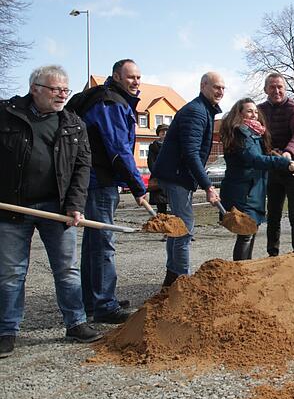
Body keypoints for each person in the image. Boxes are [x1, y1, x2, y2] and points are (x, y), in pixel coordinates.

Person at [0, 65, 102, 359]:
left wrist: (75, 205)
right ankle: (7, 330)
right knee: (10, 273)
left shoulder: (73, 123)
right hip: (13, 208)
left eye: (65, 90)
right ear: (35, 89)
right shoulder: (7, 115)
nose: (62, 95)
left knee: (67, 269)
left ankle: (76, 322)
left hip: (57, 209)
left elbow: (83, 167)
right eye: (56, 89)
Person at [68, 59, 146, 324]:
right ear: (116, 76)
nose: (136, 82)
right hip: (99, 179)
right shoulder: (110, 102)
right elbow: (118, 148)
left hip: (95, 178)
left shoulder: (111, 99)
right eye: (130, 77)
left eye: (138, 77)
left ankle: (93, 299)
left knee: (94, 241)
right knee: (103, 243)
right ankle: (104, 305)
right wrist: (137, 185)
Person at [152, 72, 224, 286]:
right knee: (184, 228)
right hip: (177, 176)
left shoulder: (203, 110)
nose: (220, 91)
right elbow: (191, 153)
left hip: (177, 175)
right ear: (203, 86)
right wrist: (208, 186)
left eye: (222, 88)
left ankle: (172, 278)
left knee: (177, 227)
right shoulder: (196, 111)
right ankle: (183, 280)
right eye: (216, 87)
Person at [219, 98, 294, 260]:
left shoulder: (254, 134)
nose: (254, 115)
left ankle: (244, 269)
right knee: (246, 232)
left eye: (255, 111)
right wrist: (282, 162)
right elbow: (254, 159)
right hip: (244, 191)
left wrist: (273, 154)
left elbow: (259, 156)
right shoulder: (241, 133)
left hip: (253, 189)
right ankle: (241, 271)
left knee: (250, 231)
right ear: (239, 114)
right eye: (249, 111)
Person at [257, 73, 294, 257]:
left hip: (293, 166)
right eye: (272, 87)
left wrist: (288, 152)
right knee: (273, 213)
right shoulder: (259, 110)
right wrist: (268, 151)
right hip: (272, 167)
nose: (276, 90)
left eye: (280, 87)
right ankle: (273, 252)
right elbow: (257, 135)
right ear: (266, 90)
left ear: (284, 88)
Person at [148, 123, 169, 216]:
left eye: (166, 131)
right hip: (158, 178)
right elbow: (151, 163)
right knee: (161, 205)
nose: (164, 133)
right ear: (158, 133)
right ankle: (161, 223)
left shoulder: (172, 146)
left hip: (170, 178)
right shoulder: (153, 147)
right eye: (162, 131)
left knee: (175, 203)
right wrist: (158, 173)